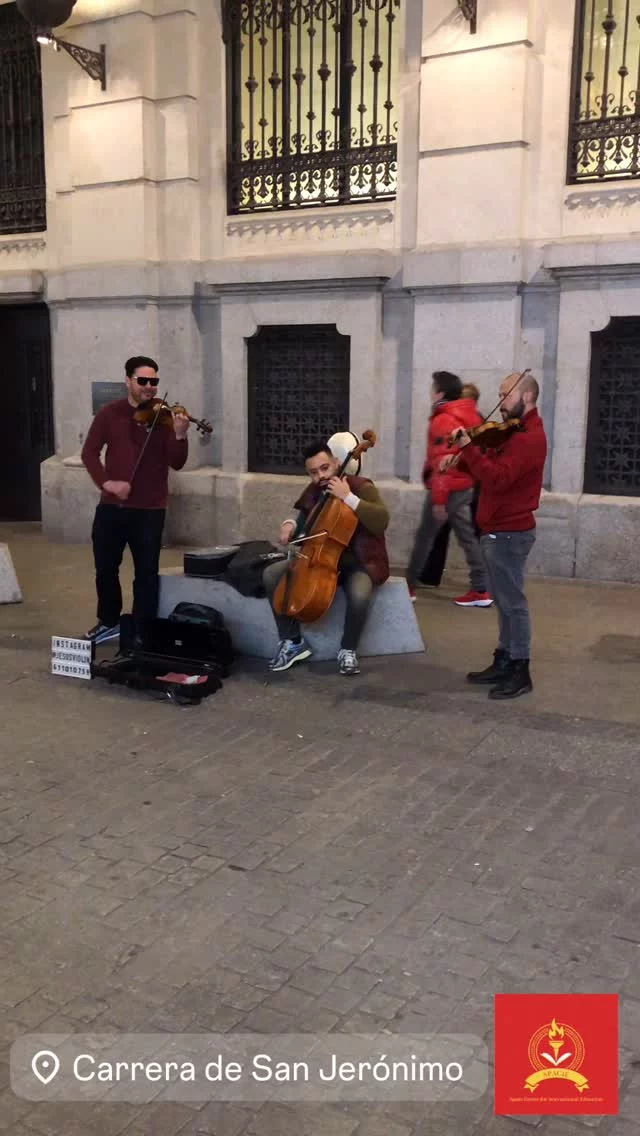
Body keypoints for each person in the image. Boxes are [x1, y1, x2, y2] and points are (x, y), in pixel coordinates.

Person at [443, 371, 547, 699]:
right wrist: (460, 461)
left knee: (513, 603)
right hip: (497, 529)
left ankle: (520, 669)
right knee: (503, 601)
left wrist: (468, 448)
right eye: (500, 395)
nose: (500, 402)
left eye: (506, 395)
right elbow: (486, 464)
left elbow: (498, 479)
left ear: (526, 397)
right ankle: (504, 659)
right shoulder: (512, 433)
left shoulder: (529, 438)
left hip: (510, 532)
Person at [80, 356, 190, 644]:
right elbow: (89, 453)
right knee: (105, 569)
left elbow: (177, 462)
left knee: (146, 573)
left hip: (150, 509)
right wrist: (107, 483)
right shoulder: (110, 413)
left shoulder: (165, 419)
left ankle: (143, 629)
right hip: (111, 507)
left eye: (154, 381)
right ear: (128, 381)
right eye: (143, 381)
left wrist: (180, 436)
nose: (149, 387)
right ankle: (109, 621)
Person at [263, 436, 390, 676]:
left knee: (360, 593)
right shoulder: (315, 490)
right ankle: (292, 642)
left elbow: (381, 520)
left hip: (358, 562)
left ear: (336, 463)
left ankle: (348, 650)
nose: (320, 476)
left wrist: (348, 498)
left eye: (324, 468)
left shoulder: (362, 487)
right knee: (271, 574)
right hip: (318, 559)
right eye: (313, 472)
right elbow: (304, 520)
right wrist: (290, 525)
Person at [406, 371, 492, 607]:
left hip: (448, 488)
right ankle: (481, 588)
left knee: (425, 537)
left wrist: (439, 500)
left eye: (433, 388)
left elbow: (442, 463)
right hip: (465, 485)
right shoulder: (470, 415)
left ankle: (408, 586)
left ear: (440, 392)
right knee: (467, 537)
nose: (430, 392)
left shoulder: (443, 420)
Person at [420, 383, 481, 587]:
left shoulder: (471, 422)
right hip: (460, 484)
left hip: (466, 485)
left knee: (467, 534)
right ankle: (431, 574)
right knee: (448, 531)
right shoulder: (461, 419)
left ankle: (481, 580)